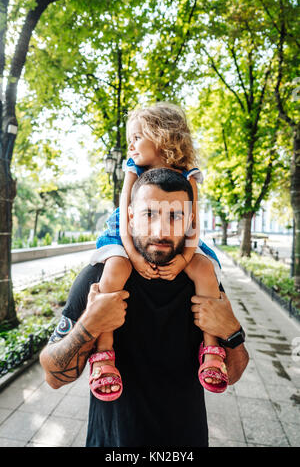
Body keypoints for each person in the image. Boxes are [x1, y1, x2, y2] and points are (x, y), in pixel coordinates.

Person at [40, 168, 249, 448]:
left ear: (190, 222)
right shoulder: (99, 279)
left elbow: (233, 373)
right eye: (148, 214)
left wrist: (232, 331)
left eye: (175, 216)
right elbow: (53, 377)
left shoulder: (204, 283)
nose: (161, 229)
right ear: (129, 218)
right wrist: (90, 324)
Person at [88, 102, 227, 401]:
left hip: (180, 233)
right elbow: (126, 215)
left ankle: (213, 350)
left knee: (205, 270)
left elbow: (193, 222)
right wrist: (134, 257)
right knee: (115, 269)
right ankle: (103, 353)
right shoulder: (132, 168)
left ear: (161, 136)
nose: (132, 145)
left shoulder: (188, 173)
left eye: (137, 137)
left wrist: (184, 261)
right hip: (128, 231)